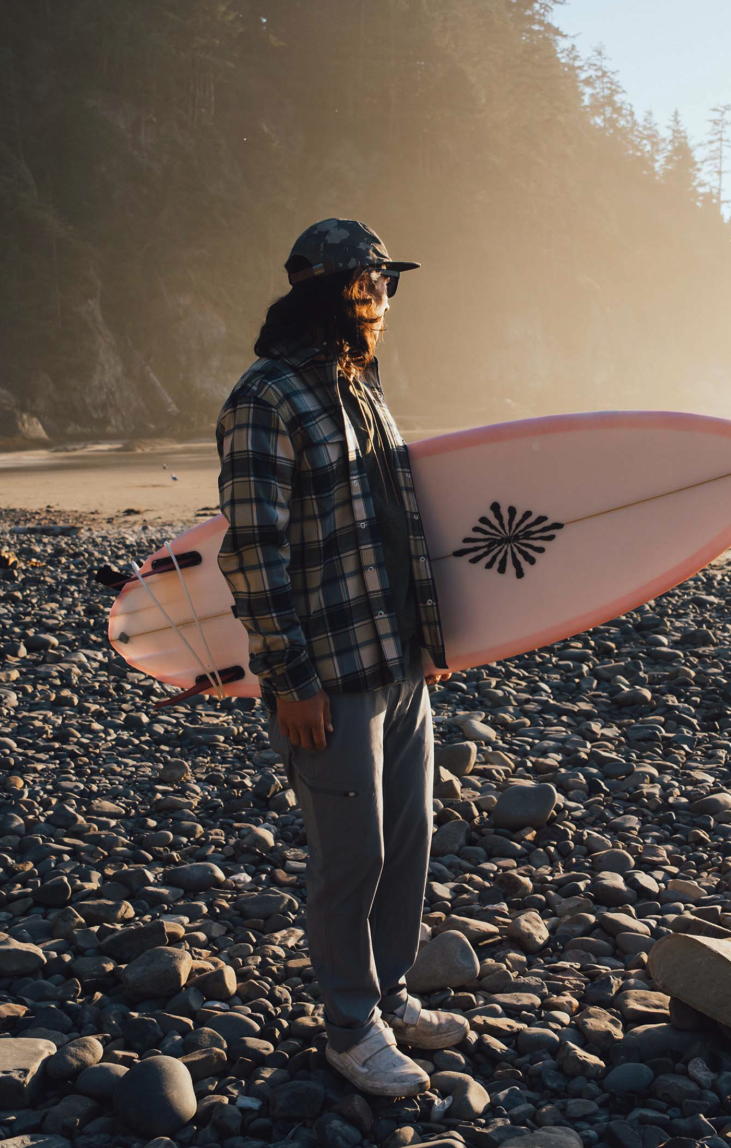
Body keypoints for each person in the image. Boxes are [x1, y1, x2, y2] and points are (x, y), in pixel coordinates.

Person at [215, 219, 468, 1097]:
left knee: (409, 843)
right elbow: (252, 549)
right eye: (376, 284)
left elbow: (399, 527)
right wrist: (288, 679)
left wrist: (430, 646)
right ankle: (349, 1027)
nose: (387, 301)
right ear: (334, 291)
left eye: (389, 285)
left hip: (397, 665)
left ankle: (387, 996)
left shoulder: (362, 388)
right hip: (326, 677)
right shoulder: (266, 399)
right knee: (350, 854)